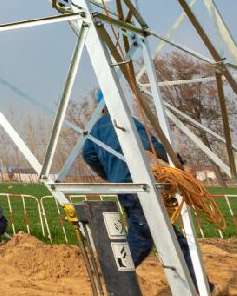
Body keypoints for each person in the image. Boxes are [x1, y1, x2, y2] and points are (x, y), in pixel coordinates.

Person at [82, 91, 200, 283]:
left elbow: (88, 155)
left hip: (124, 188)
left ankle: (202, 285)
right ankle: (115, 276)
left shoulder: (95, 130)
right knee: (143, 237)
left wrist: (109, 174)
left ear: (100, 108)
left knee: (169, 236)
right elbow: (152, 145)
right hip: (138, 186)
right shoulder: (126, 121)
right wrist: (180, 164)